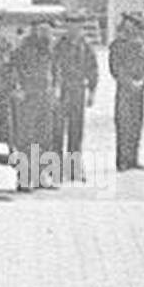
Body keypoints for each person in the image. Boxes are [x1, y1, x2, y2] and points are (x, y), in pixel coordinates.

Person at [10, 21, 57, 188]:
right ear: (34, 30)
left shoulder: (50, 50)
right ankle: (23, 178)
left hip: (44, 97)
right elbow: (12, 69)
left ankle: (41, 175)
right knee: (25, 138)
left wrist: (54, 89)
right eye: (41, 29)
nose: (45, 33)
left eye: (48, 30)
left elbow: (54, 71)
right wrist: (16, 88)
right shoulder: (22, 49)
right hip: (27, 98)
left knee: (44, 137)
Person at [52, 14, 98, 181]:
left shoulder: (85, 46)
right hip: (62, 90)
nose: (74, 30)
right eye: (71, 26)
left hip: (78, 90)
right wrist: (55, 88)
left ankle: (74, 168)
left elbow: (92, 69)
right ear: (66, 27)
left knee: (76, 130)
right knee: (57, 130)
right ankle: (55, 168)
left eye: (77, 27)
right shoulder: (58, 45)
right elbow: (52, 66)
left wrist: (92, 92)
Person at [109, 13, 144, 171]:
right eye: (128, 25)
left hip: (139, 91)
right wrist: (129, 83)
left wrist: (143, 83)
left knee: (137, 123)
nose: (130, 28)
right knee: (123, 124)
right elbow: (115, 68)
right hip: (125, 91)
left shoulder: (143, 45)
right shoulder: (117, 45)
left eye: (134, 25)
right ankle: (122, 160)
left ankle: (133, 158)